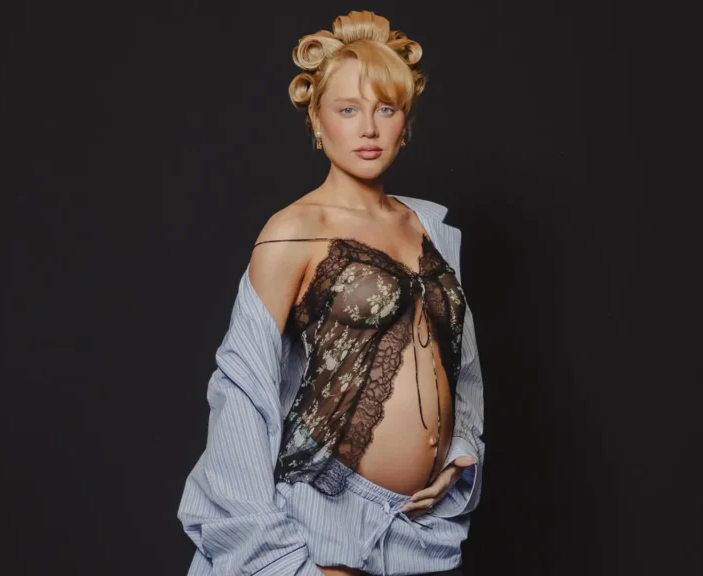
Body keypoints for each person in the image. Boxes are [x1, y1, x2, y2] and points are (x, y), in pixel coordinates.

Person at [178, 10, 486, 576]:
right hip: (323, 522)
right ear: (317, 122)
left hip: (419, 530)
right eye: (348, 110)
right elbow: (241, 394)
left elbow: (458, 365)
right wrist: (278, 557)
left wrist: (459, 451)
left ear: (405, 122)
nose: (368, 128)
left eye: (385, 109)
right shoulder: (294, 230)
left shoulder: (431, 229)